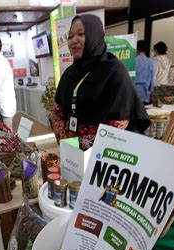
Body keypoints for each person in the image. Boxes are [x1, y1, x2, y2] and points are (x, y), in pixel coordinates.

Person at [53, 15, 150, 150]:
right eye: (70, 36)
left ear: (95, 35)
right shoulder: (69, 73)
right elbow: (58, 112)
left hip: (103, 156)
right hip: (71, 150)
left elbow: (119, 122)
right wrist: (67, 144)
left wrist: (95, 153)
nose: (73, 40)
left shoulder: (114, 71)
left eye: (81, 34)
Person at [135, 40, 156, 105]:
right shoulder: (151, 62)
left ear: (136, 49)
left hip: (133, 92)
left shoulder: (132, 61)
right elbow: (153, 81)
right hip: (145, 93)